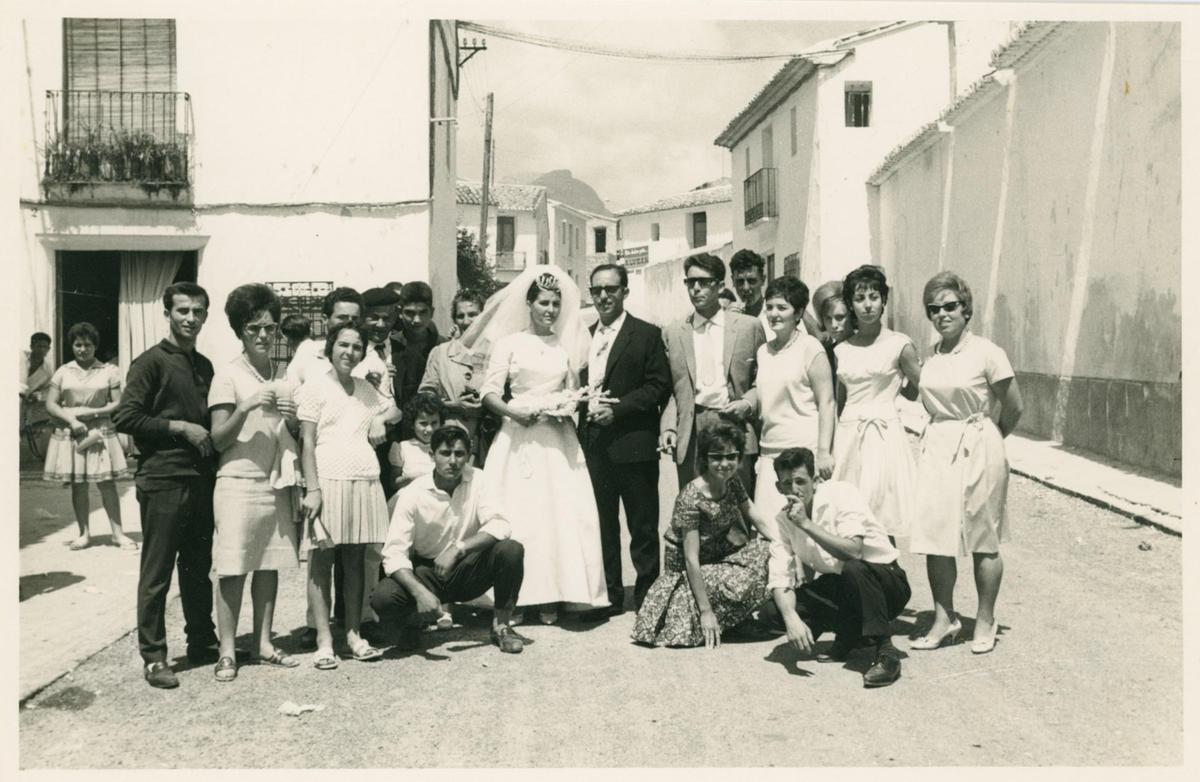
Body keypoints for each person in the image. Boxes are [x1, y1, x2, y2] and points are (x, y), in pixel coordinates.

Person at [465, 265, 609, 624]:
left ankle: (554, 596)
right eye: (543, 303)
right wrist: (514, 414)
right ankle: (518, 597)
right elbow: (489, 393)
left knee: (558, 515)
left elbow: (574, 390)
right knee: (523, 514)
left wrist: (566, 406)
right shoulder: (509, 344)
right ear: (529, 305)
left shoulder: (565, 345)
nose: (550, 310)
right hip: (519, 436)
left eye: (556, 304)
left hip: (557, 438)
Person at [909, 271, 1023, 655]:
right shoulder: (933, 356)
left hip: (979, 442)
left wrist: (990, 441)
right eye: (934, 309)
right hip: (938, 443)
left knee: (982, 536)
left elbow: (1014, 405)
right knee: (936, 536)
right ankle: (946, 618)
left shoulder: (988, 352)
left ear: (966, 309)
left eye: (950, 306)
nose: (942, 314)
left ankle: (986, 619)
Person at [114, 282, 219, 689]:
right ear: (167, 314)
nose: (190, 318)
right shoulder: (150, 363)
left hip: (200, 480)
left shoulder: (205, 366)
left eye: (197, 312)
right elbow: (125, 418)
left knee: (197, 569)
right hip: (162, 480)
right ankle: (154, 657)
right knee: (156, 572)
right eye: (182, 311)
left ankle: (201, 643)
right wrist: (179, 427)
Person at [207, 284, 303, 682]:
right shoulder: (227, 375)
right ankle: (228, 651)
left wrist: (292, 415)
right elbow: (217, 439)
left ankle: (262, 643)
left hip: (274, 482)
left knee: (268, 565)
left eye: (270, 327)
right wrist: (246, 405)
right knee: (232, 568)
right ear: (239, 331)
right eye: (253, 328)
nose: (263, 335)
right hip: (237, 482)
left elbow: (291, 433)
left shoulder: (281, 376)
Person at [296, 322, 401, 669]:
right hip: (327, 480)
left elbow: (395, 410)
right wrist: (312, 489)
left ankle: (354, 634)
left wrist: (380, 419)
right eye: (343, 345)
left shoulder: (365, 388)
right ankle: (325, 641)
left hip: (364, 478)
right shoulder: (315, 386)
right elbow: (306, 442)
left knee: (355, 562)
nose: (349, 352)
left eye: (356, 347)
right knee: (322, 563)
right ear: (331, 346)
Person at [370, 425, 527, 654]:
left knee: (510, 550)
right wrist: (420, 593)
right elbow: (394, 554)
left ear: (468, 456)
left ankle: (501, 626)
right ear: (432, 455)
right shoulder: (413, 494)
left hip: (467, 568)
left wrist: (459, 548)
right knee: (384, 596)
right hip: (428, 572)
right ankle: (413, 624)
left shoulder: (479, 480)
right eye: (445, 453)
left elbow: (500, 524)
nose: (453, 461)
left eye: (459, 454)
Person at [767, 448, 911, 688]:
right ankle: (851, 632)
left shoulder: (842, 494)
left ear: (816, 481)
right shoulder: (783, 520)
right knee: (775, 611)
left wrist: (806, 524)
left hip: (886, 585)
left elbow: (853, 550)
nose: (794, 489)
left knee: (853, 568)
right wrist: (791, 618)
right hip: (845, 586)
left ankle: (887, 653)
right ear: (778, 487)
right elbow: (779, 575)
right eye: (787, 483)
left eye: (801, 481)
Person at [632, 421, 775, 648]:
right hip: (688, 573)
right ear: (705, 459)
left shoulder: (732, 481)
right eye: (716, 457)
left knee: (771, 550)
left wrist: (785, 548)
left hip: (720, 562)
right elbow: (691, 559)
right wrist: (706, 612)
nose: (724, 464)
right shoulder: (691, 497)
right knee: (687, 629)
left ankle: (733, 620)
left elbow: (755, 516)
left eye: (731, 456)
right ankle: (724, 618)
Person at [578, 263, 671, 614]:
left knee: (642, 526)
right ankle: (610, 595)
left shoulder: (646, 334)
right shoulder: (584, 336)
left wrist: (617, 410)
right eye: (597, 290)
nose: (604, 296)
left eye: (611, 289)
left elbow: (657, 386)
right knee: (601, 525)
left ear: (625, 292)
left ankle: (647, 597)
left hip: (634, 444)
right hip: (594, 447)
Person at [660, 252, 764, 499]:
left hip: (733, 423)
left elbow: (763, 378)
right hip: (692, 428)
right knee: (694, 508)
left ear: (720, 286)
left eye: (704, 282)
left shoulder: (748, 327)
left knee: (737, 510)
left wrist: (748, 403)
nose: (696, 289)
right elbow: (672, 389)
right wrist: (668, 428)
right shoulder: (673, 333)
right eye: (690, 282)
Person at [831, 266, 921, 542]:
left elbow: (918, 391)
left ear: (884, 300)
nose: (868, 305)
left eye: (874, 297)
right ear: (851, 304)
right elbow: (839, 402)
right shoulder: (841, 350)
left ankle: (888, 579)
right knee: (850, 517)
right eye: (860, 299)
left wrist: (894, 386)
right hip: (849, 435)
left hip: (884, 436)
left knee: (883, 514)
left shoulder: (900, 344)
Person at [42, 322, 135, 551]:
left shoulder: (108, 371)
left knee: (106, 483)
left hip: (100, 431)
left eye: (87, 344)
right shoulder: (63, 371)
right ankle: (84, 534)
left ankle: (118, 534)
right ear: (72, 346)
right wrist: (72, 420)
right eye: (78, 344)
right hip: (72, 432)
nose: (82, 349)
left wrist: (92, 412)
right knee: (79, 484)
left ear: (95, 346)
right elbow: (51, 404)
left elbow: (118, 403)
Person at [753, 275, 836, 527]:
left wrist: (823, 452)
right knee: (771, 532)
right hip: (769, 455)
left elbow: (827, 402)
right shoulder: (763, 352)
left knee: (808, 532)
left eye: (782, 307)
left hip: (804, 454)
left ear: (798, 312)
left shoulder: (810, 348)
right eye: (769, 307)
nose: (774, 314)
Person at [420, 289, 489, 464]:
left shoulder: (498, 351)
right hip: (450, 438)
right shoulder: (441, 352)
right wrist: (454, 405)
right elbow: (425, 398)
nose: (466, 321)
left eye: (473, 314)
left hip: (487, 438)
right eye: (460, 316)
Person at [285, 287, 363, 386]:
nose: (349, 324)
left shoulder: (367, 356)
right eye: (342, 318)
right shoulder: (308, 352)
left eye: (355, 319)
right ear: (325, 319)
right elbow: (291, 393)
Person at [393, 281, 445, 404]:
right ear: (400, 313)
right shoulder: (391, 346)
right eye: (410, 313)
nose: (416, 320)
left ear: (431, 312)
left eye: (423, 312)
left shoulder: (444, 348)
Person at [388, 390, 444, 494]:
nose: (429, 429)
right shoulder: (402, 447)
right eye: (423, 423)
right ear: (412, 424)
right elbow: (393, 483)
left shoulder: (444, 447)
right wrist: (410, 479)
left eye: (434, 423)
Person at [19, 331, 54, 402]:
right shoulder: (20, 358)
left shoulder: (47, 371)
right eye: (39, 346)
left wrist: (37, 395)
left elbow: (47, 390)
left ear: (48, 349)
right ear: (31, 347)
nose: (42, 350)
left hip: (26, 404)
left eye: (45, 347)